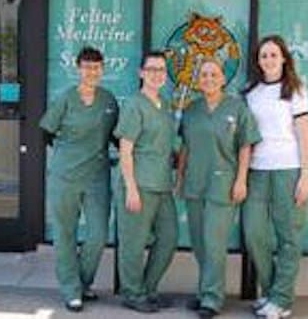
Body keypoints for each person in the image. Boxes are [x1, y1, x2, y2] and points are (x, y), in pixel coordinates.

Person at [177, 58, 261, 318]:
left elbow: (246, 146)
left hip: (223, 185)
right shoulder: (192, 110)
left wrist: (241, 180)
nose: (209, 78)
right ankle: (205, 291)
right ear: (198, 80)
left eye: (214, 74)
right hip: (194, 184)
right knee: (199, 243)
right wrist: (180, 179)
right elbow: (185, 148)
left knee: (214, 243)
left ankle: (212, 298)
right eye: (204, 74)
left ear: (223, 79)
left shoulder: (237, 109)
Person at [39, 46, 119, 312]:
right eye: (86, 67)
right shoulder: (65, 99)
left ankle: (83, 283)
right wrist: (67, 156)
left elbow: (116, 138)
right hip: (65, 177)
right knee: (65, 234)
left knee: (98, 234)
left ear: (102, 69)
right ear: (78, 69)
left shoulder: (109, 101)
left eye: (96, 67)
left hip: (97, 176)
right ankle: (71, 289)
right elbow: (46, 132)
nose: (91, 72)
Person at [242, 35, 308, 319]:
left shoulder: (295, 90)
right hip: (257, 170)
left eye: (273, 55)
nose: (268, 60)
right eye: (263, 56)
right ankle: (272, 293)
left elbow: (304, 133)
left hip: (288, 168)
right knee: (254, 233)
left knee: (288, 236)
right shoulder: (251, 92)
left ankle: (281, 299)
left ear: (284, 58)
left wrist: (305, 174)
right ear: (258, 61)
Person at [113, 51, 180, 313]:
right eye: (151, 69)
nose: (157, 74)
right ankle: (132, 292)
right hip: (138, 184)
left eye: (162, 70)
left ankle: (148, 288)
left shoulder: (165, 105)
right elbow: (125, 149)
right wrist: (130, 187)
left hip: (162, 184)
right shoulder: (134, 104)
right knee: (133, 242)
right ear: (142, 73)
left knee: (169, 237)